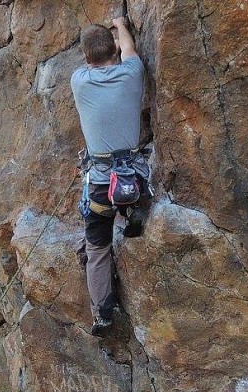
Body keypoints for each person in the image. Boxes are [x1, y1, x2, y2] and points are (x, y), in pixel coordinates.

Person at [71, 17, 150, 337]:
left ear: (86, 58)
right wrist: (121, 25)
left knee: (97, 249)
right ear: (115, 49)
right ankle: (134, 209)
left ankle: (103, 314)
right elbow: (129, 50)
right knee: (134, 187)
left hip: (101, 188)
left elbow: (100, 58)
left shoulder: (80, 80)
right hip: (132, 180)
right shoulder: (133, 73)